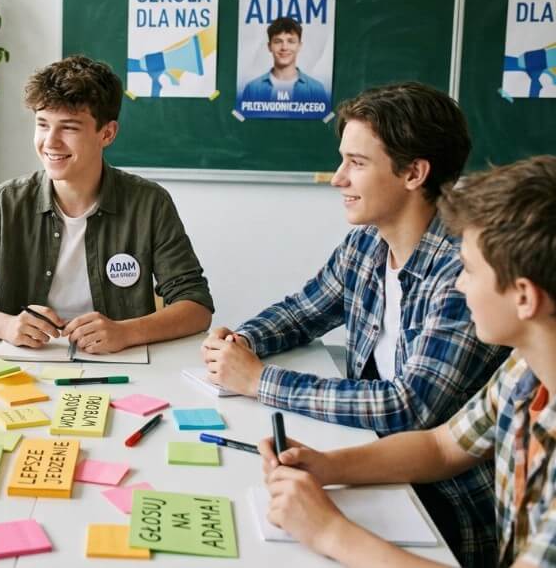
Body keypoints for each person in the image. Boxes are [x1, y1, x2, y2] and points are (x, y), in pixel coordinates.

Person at [202, 82, 507, 567]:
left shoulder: (465, 273)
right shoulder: (367, 244)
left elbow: (412, 408)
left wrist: (260, 380)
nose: (337, 179)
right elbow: (303, 310)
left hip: (441, 506)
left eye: (356, 163)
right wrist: (240, 341)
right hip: (368, 460)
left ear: (414, 173)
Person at [261, 155, 556, 568]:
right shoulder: (524, 369)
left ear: (524, 297)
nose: (458, 283)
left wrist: (330, 532)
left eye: (469, 270)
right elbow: (442, 445)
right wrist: (327, 465)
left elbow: (412, 410)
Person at [0, 55, 213, 353]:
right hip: (28, 363)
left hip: (119, 361)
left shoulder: (149, 203)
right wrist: (5, 325)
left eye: (68, 128)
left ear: (107, 133)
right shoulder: (6, 202)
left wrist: (126, 332)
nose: (50, 142)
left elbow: (196, 306)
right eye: (43, 125)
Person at [240, 16, 327, 103]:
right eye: (278, 41)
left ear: (299, 46)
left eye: (291, 41)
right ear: (269, 46)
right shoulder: (252, 89)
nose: (284, 47)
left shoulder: (317, 90)